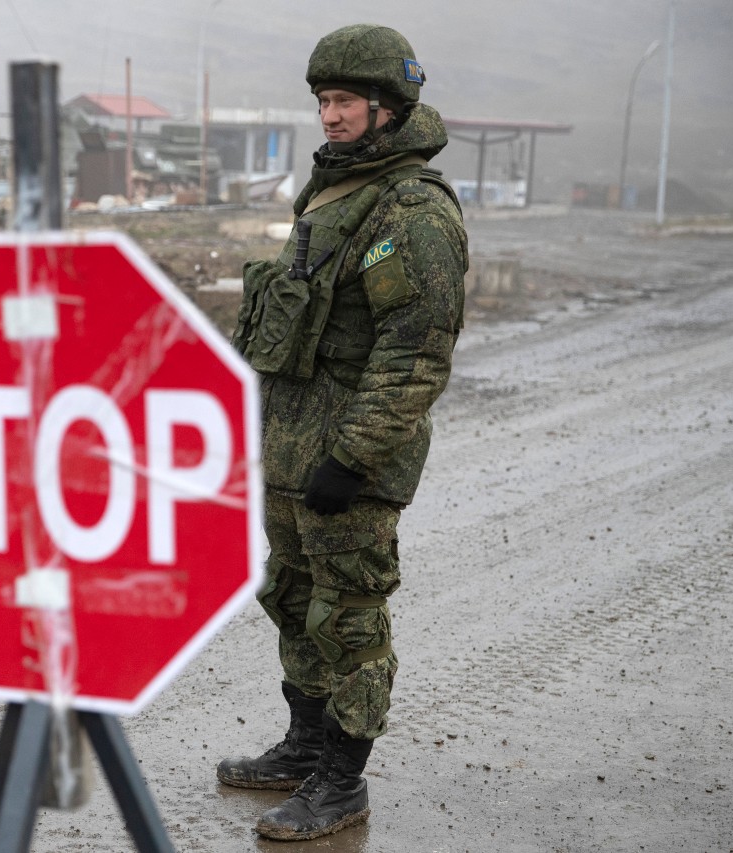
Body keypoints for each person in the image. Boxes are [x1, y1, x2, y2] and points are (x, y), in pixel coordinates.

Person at [220, 24, 467, 841]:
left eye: (345, 102)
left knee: (348, 615)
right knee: (293, 600)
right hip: (291, 451)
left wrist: (352, 456)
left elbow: (414, 351)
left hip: (346, 463)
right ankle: (304, 745)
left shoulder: (412, 208)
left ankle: (342, 781)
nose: (329, 117)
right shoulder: (332, 192)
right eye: (323, 101)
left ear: (388, 108)